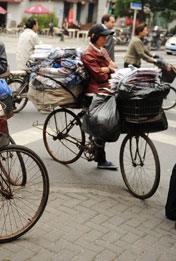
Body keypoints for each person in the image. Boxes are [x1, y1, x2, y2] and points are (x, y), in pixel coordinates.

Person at [81, 24, 118, 170]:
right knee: (103, 122)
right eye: (103, 36)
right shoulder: (88, 54)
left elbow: (114, 66)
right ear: (95, 37)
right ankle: (101, 158)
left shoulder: (102, 50)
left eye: (106, 36)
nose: (105, 39)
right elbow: (99, 75)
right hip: (94, 90)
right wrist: (108, 69)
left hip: (105, 87)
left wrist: (107, 69)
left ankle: (98, 149)